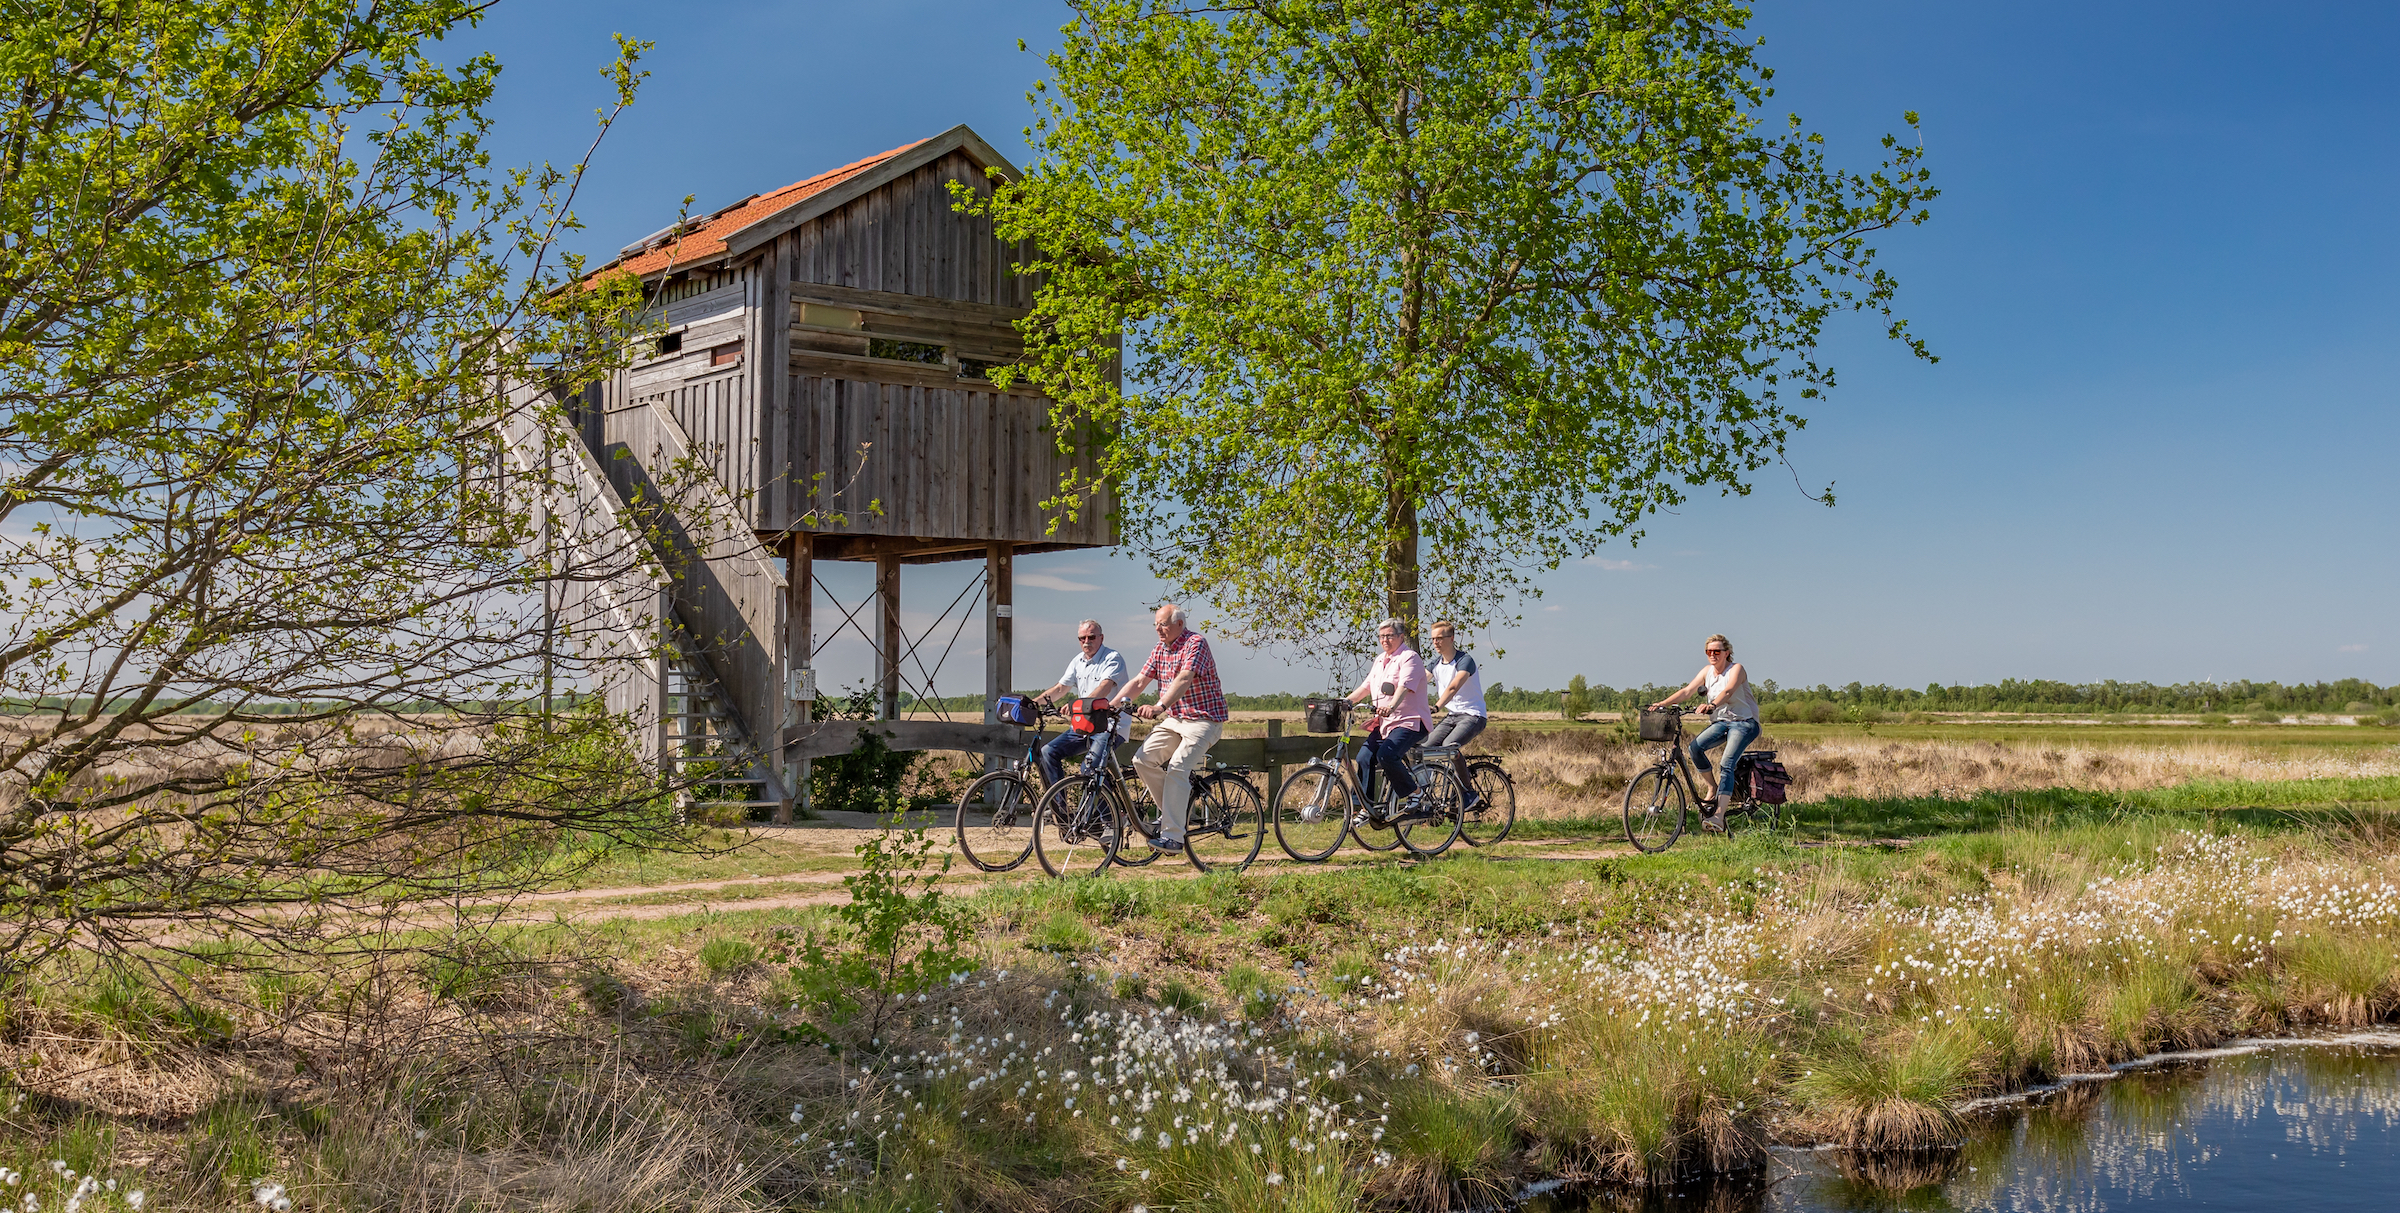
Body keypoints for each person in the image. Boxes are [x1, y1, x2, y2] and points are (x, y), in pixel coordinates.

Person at [1113, 603, 1227, 854]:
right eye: (1156, 625)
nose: (1158, 630)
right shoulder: (1159, 649)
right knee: (1142, 760)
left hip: (1204, 719)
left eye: (1163, 624)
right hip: (1176, 720)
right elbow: (1140, 681)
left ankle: (1173, 837)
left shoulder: (1196, 643)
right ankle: (1173, 814)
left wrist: (1159, 706)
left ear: (1179, 624)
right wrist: (1109, 706)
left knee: (1177, 768)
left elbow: (1184, 678)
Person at [1647, 633, 1758, 833]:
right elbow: (1687, 691)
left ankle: (1719, 817)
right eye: (1709, 652)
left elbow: (1729, 691)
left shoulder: (1737, 669)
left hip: (1744, 723)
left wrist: (1712, 704)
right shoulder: (1707, 671)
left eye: (1717, 651)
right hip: (1722, 722)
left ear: (1727, 653)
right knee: (1694, 748)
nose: (1713, 655)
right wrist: (1662, 704)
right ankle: (1712, 788)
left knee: (1727, 764)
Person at [1346, 617, 1430, 823]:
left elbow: (1404, 686)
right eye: (1381, 636)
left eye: (1389, 636)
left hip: (1411, 721)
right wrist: (1344, 702)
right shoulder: (1379, 660)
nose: (1385, 640)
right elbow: (1366, 687)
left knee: (1387, 754)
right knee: (1365, 757)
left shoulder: (1410, 658)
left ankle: (1415, 791)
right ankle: (1366, 807)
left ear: (1401, 637)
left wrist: (1391, 706)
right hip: (1385, 724)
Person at [1032, 619, 1128, 785]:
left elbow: (1104, 688)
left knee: (1089, 768)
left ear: (1101, 638)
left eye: (1091, 637)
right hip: (1084, 725)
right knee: (1048, 751)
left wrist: (1078, 705)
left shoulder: (1112, 658)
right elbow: (1061, 688)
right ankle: (1059, 809)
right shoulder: (1077, 661)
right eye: (1082, 638)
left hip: (1109, 725)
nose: (1086, 642)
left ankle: (1105, 812)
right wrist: (1033, 703)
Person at [1423, 619, 1487, 806]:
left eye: (1440, 638)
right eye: (1433, 639)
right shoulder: (1435, 663)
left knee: (1449, 746)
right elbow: (1418, 684)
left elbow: (1453, 687)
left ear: (1451, 638)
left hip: (1473, 714)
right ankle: (1427, 796)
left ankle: (1468, 793)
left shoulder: (1464, 660)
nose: (1436, 642)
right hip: (1452, 716)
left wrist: (1436, 707)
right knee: (1425, 748)